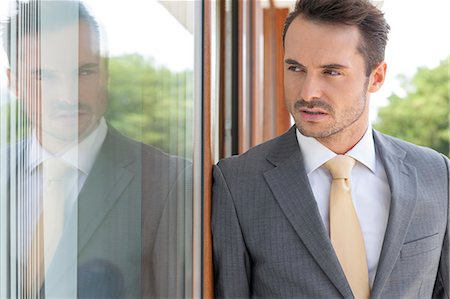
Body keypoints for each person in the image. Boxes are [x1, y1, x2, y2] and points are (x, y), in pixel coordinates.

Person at [212, 0, 449, 298]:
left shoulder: (436, 173)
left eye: (331, 72)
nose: (308, 92)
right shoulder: (237, 182)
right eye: (296, 68)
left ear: (376, 77)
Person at [1, 1, 190, 298]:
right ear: (14, 83)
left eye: (84, 72)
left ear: (105, 73)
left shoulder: (172, 181)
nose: (68, 96)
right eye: (44, 76)